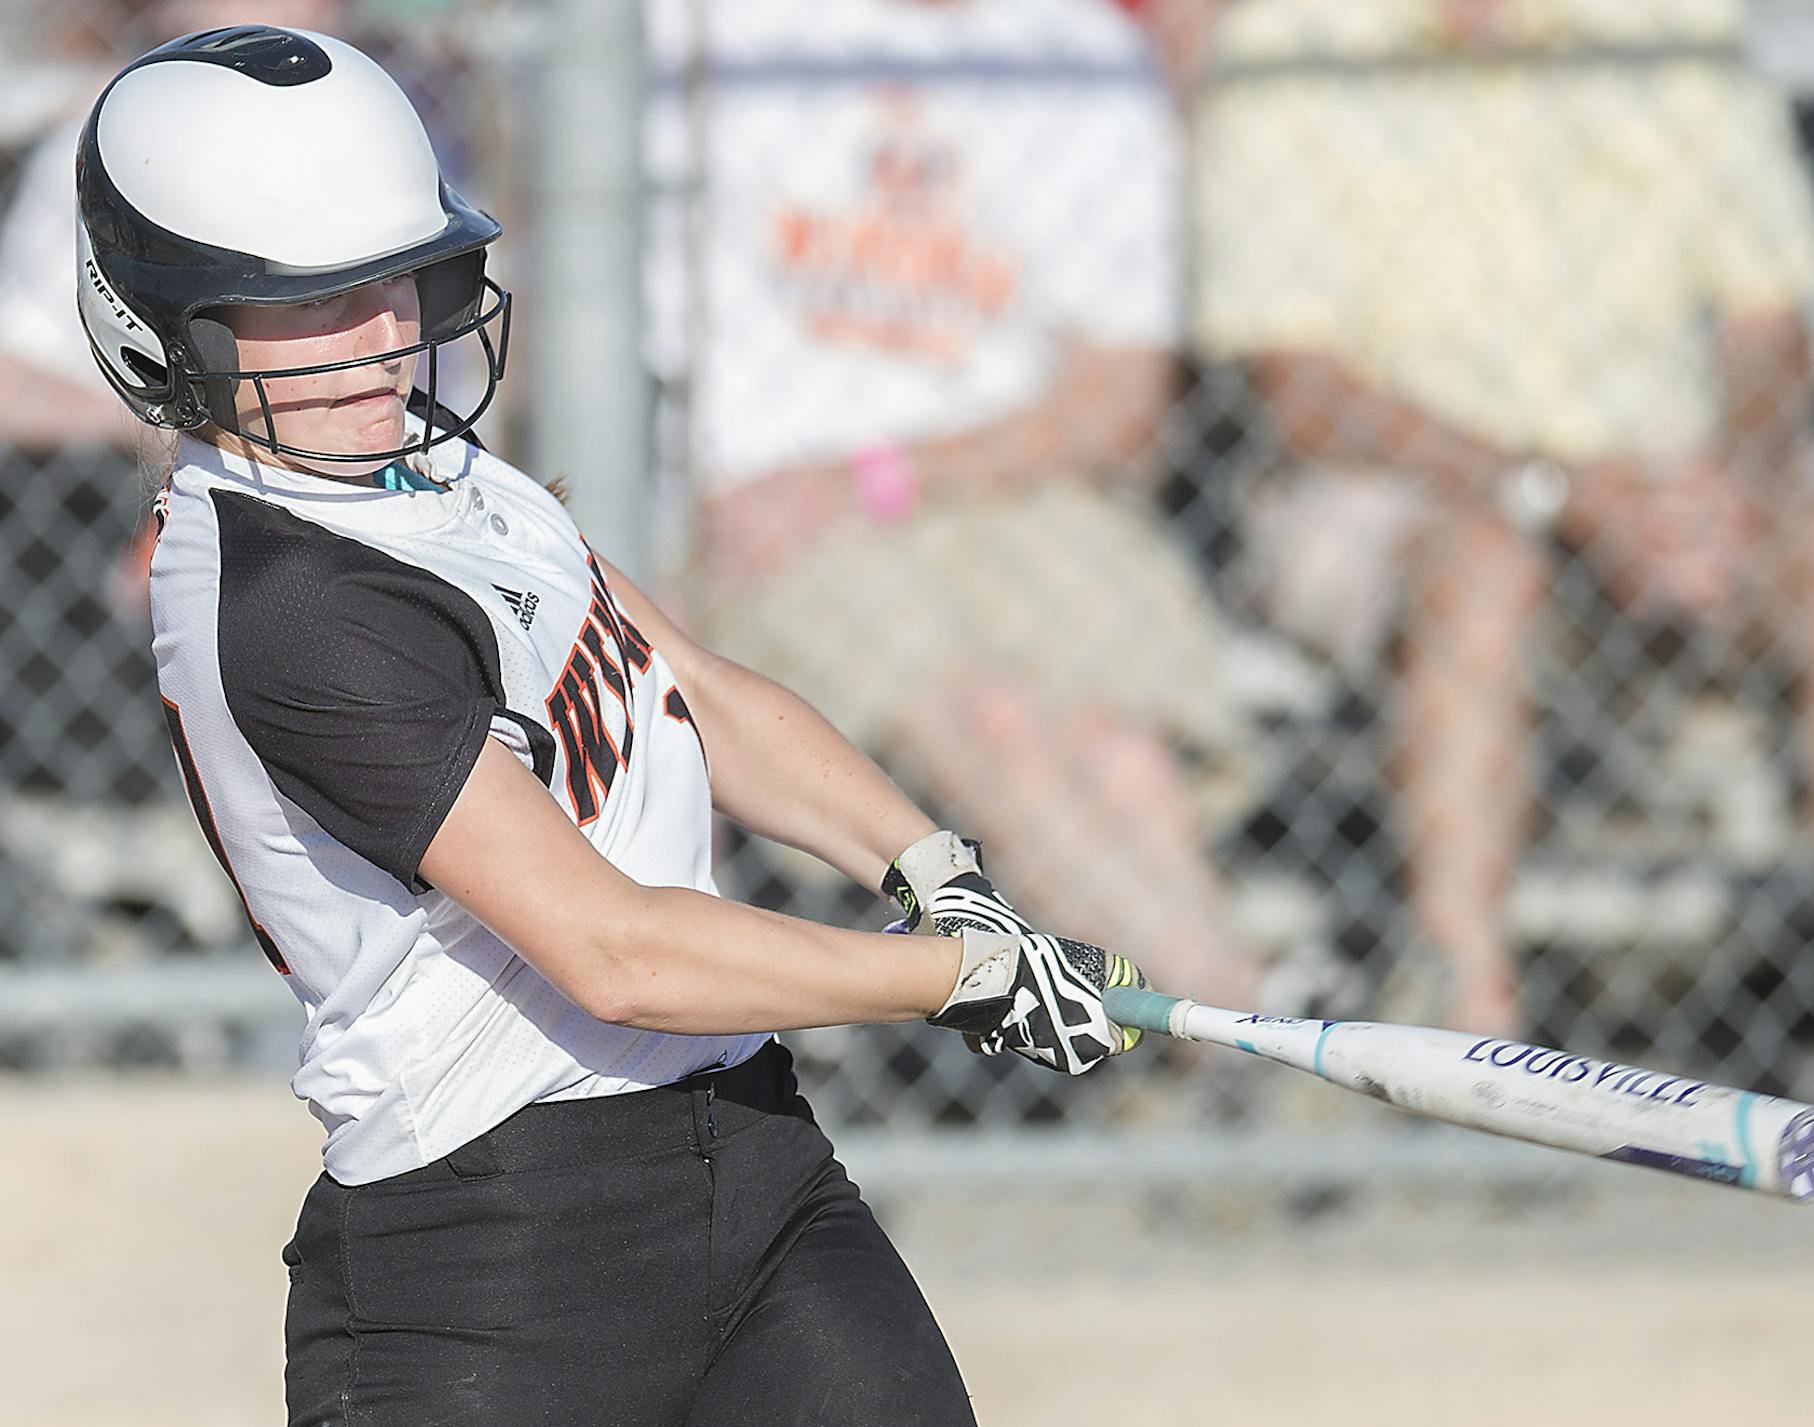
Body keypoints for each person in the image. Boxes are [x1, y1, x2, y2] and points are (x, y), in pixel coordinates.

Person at [85, 26, 1142, 1425]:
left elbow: (688, 684)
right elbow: (615, 950)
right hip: (493, 1265)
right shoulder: (287, 605)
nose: (385, 337)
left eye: (398, 281)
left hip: (756, 1173)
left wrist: (938, 870)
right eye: (305, 308)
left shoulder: (438, 470)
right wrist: (949, 976)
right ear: (163, 332)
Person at [1192, 0, 1814, 1104]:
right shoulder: (1291, 41)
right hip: (1397, 486)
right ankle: (1477, 1044)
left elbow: (1767, 326)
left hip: (1673, 479)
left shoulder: (1673, 23)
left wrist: (1724, 483)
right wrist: (1556, 487)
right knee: (1483, 572)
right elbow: (1299, 391)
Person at [648, 0, 1265, 1009]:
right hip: (766, 502)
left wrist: (881, 476)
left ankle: (1204, 1026)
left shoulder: (1077, 51)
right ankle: (1228, 1018)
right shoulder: (710, 31)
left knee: (1125, 751)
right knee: (997, 720)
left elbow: (1119, 397)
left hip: (996, 485)